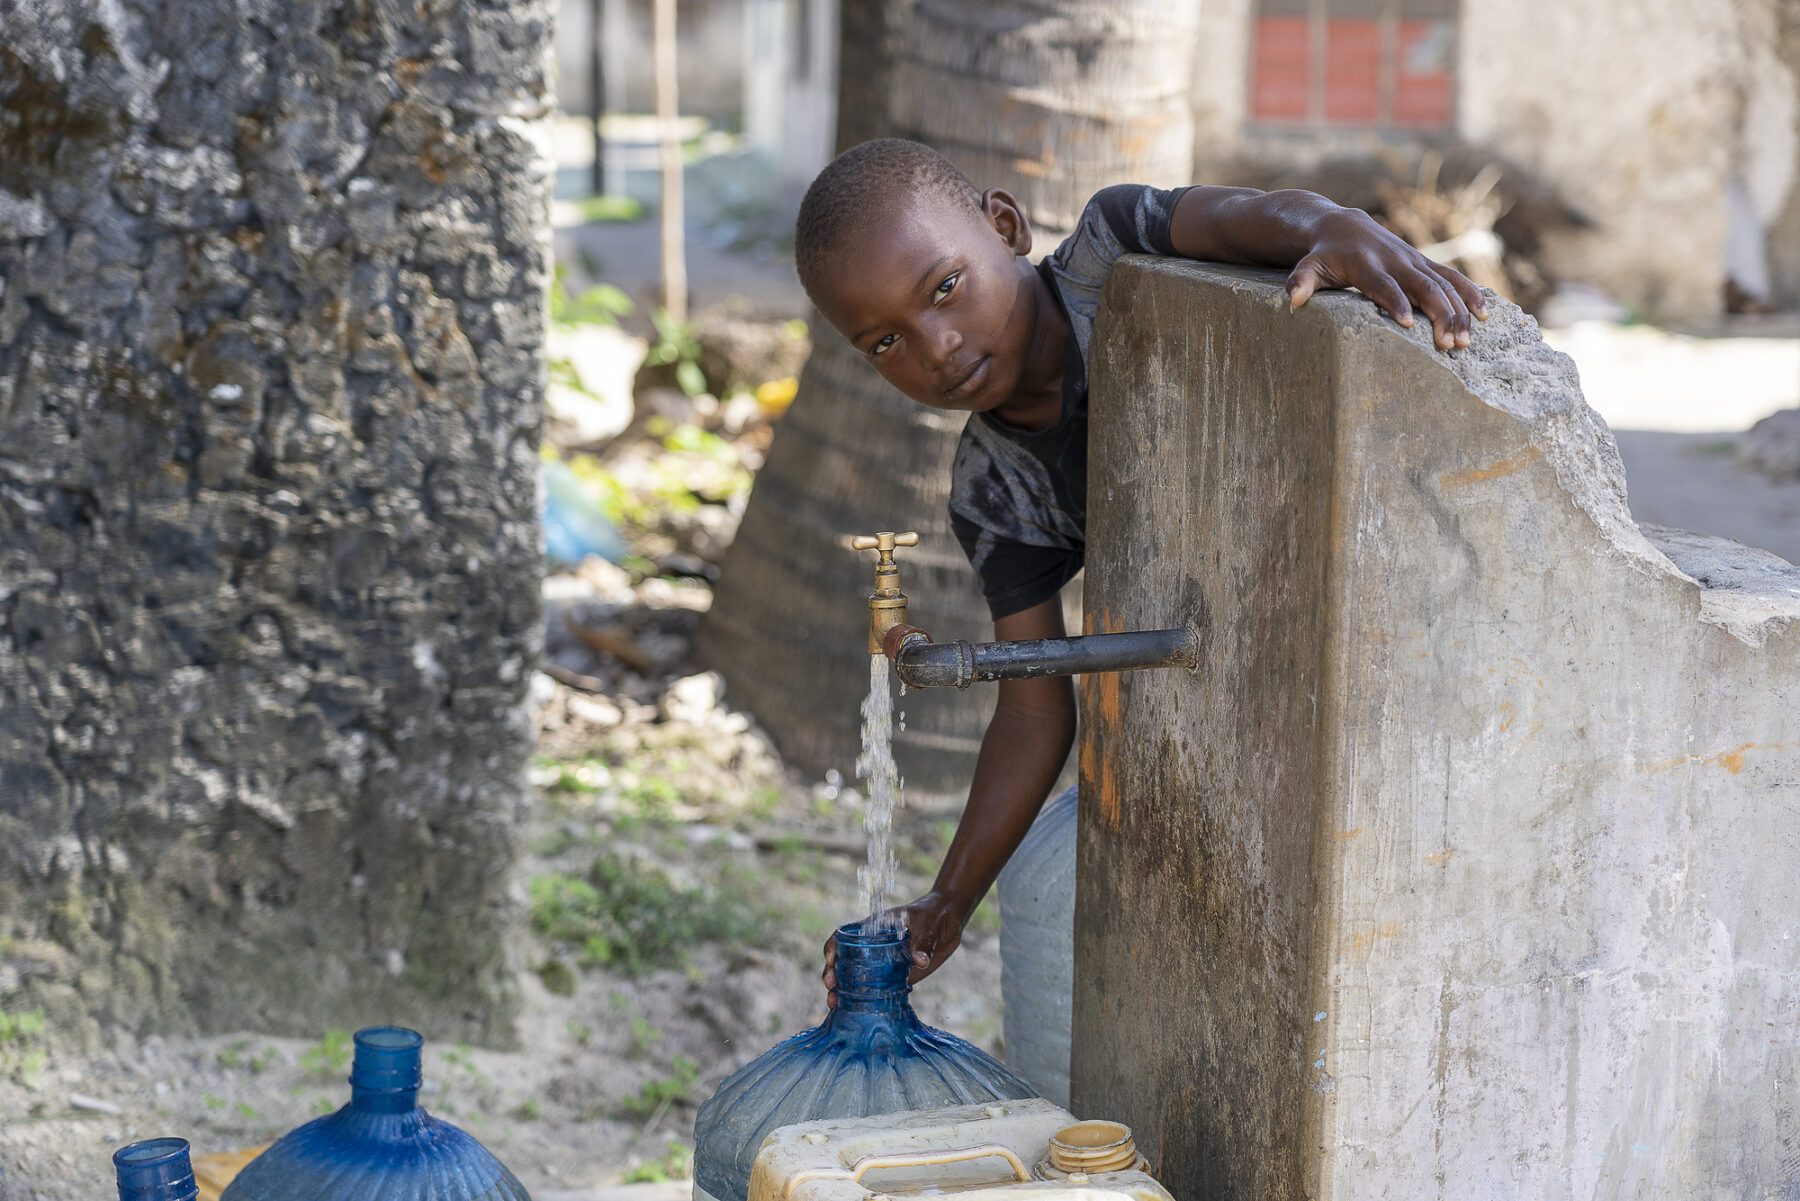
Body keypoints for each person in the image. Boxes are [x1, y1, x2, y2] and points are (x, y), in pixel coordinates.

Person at [799, 138, 1485, 1006]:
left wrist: (1335, 227)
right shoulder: (995, 491)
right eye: (885, 340)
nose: (934, 345)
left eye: (944, 287)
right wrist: (949, 899)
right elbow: (1035, 703)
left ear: (1003, 226)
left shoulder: (1109, 250)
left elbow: (1241, 218)